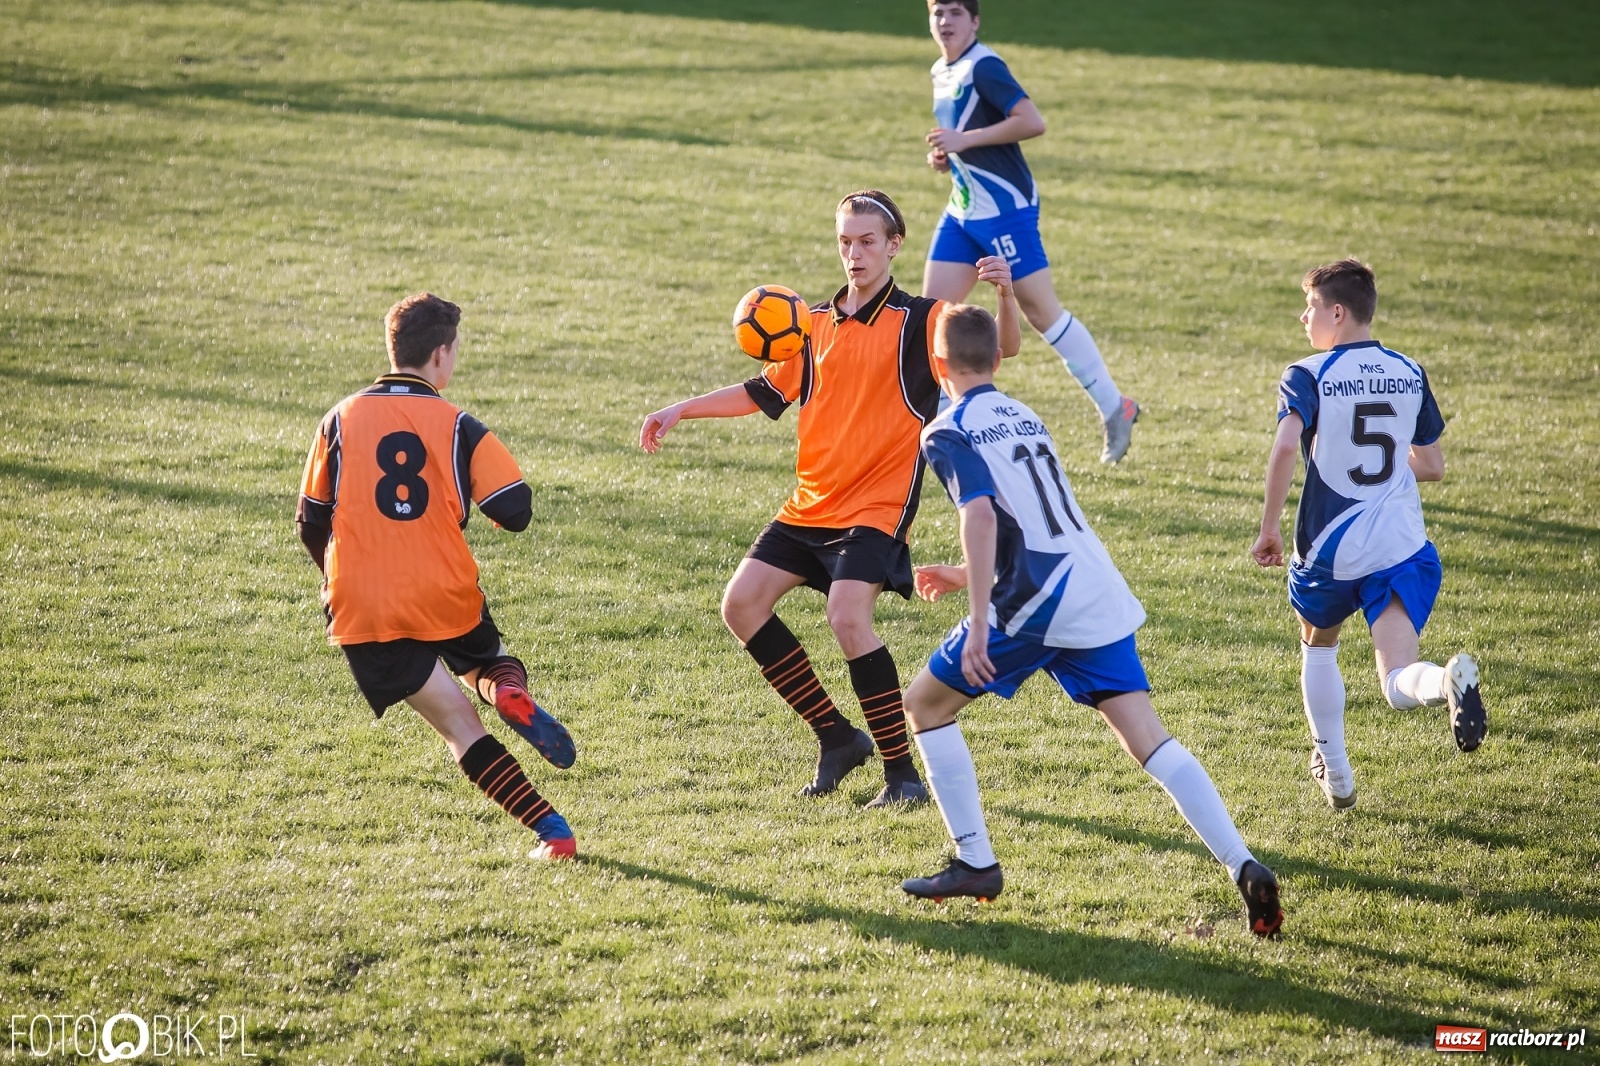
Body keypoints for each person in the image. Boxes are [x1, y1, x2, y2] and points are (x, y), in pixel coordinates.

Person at [899, 304, 1283, 938]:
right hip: (1091, 585)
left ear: (937, 363)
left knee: (924, 706)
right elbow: (1035, 519)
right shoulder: (1026, 415)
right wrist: (967, 574)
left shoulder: (947, 429)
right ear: (996, 361)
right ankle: (1242, 862)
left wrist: (978, 620)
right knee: (1149, 740)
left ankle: (975, 862)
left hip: (1034, 600)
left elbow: (984, 516)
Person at [639, 190, 1021, 808]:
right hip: (810, 505)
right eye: (845, 242)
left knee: (847, 617)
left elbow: (1002, 350)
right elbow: (762, 392)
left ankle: (902, 774)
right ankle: (837, 737)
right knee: (741, 605)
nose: (855, 254)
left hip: (876, 508)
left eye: (867, 242)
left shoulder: (923, 320)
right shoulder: (811, 323)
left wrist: (1004, 294)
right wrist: (681, 409)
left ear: (894, 245)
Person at [296, 293, 579, 859]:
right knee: (483, 660)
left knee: (459, 727)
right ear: (441, 354)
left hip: (364, 602)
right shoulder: (458, 424)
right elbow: (515, 510)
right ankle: (506, 690)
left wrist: (340, 577)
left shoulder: (339, 418)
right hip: (442, 588)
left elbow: (309, 522)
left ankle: (553, 831)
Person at [1251, 259, 1485, 810]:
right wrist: (1386, 473)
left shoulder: (1307, 374)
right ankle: (1445, 681)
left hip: (1331, 549)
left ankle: (1334, 770)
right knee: (1397, 678)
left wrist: (1269, 527)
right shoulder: (1409, 371)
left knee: (1318, 645)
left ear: (1337, 312)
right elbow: (1432, 465)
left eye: (1310, 306)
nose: (1303, 317)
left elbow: (1285, 447)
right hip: (1398, 547)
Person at [920, 0, 1139, 464]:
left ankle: (1114, 406)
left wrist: (964, 141)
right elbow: (965, 132)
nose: (945, 21)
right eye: (937, 12)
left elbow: (1031, 121)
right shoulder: (942, 69)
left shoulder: (985, 66)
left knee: (1041, 311)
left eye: (955, 12)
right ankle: (936, 428)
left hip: (1006, 210)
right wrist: (947, 156)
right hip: (963, 210)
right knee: (932, 315)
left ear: (975, 21)